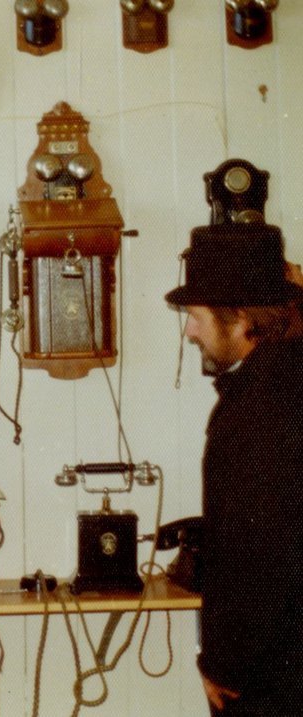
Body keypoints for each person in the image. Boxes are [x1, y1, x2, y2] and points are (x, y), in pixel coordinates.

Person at [164, 222, 303, 717]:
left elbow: (262, 555)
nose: (190, 330)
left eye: (197, 316)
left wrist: (224, 666)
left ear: (240, 318)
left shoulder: (258, 411)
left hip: (273, 683)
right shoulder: (288, 382)